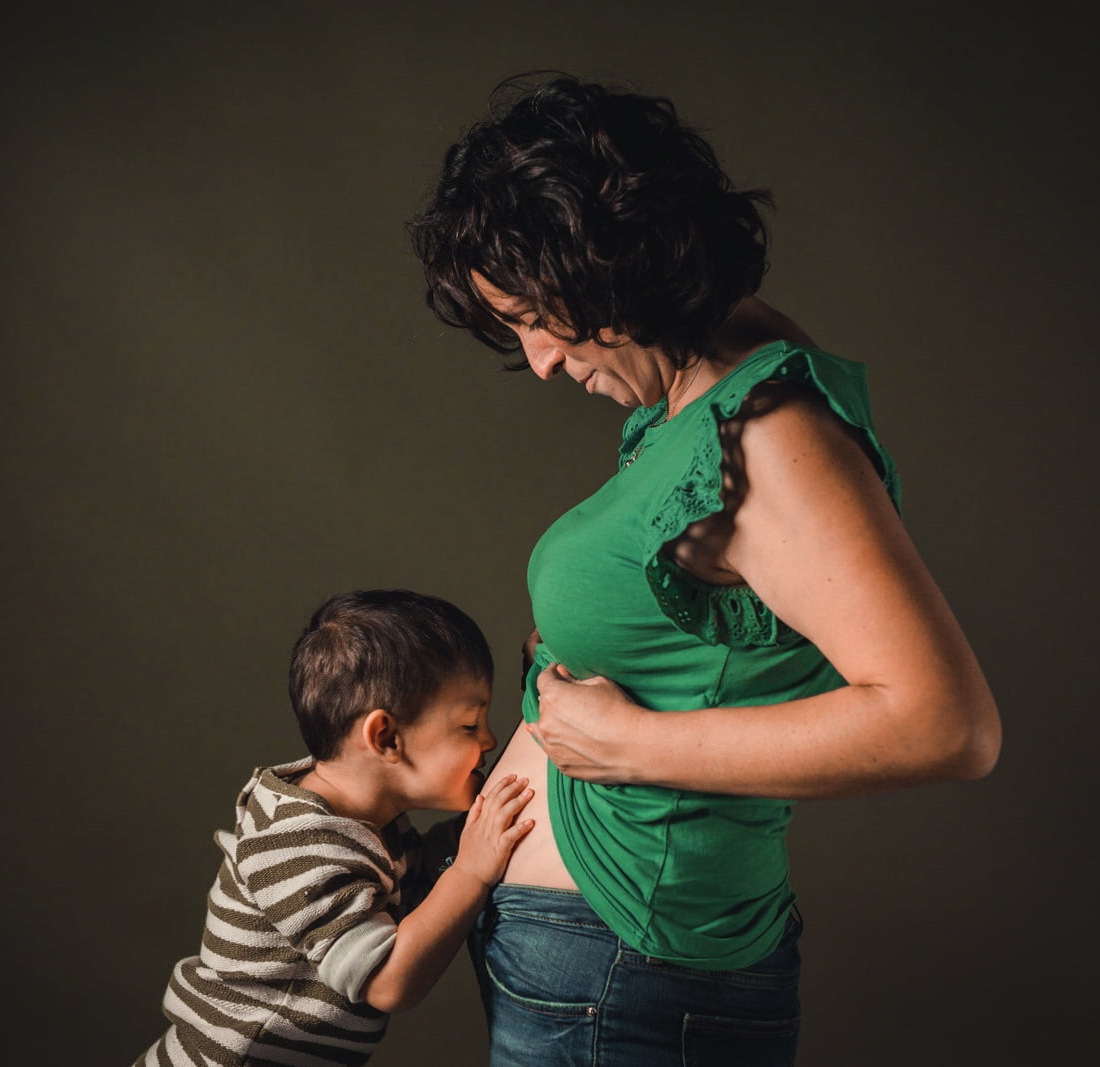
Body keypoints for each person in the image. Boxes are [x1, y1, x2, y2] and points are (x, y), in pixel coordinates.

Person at [408, 75, 1001, 1065]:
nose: (540, 362)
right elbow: (725, 616)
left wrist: (635, 743)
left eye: (535, 316)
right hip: (607, 964)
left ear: (604, 267)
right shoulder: (717, 368)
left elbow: (945, 720)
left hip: (625, 970)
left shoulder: (769, 432)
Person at [133, 589, 535, 1067]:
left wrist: (462, 841)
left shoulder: (364, 821)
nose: (488, 739)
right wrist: (471, 870)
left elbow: (415, 882)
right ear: (385, 737)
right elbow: (389, 980)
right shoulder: (299, 843)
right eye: (470, 726)